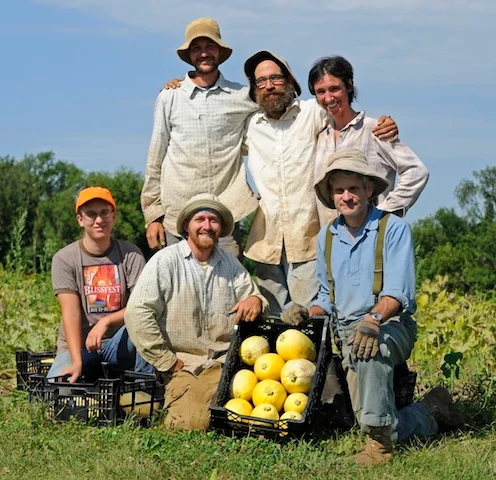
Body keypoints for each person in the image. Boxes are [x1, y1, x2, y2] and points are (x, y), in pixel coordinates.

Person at [162, 50, 397, 314]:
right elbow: (212, 128)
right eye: (261, 81)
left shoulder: (312, 113)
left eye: (275, 78)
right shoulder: (251, 124)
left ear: (289, 81)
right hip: (266, 241)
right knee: (273, 322)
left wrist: (382, 124)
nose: (269, 85)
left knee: (309, 318)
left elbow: (345, 115)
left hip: (306, 237)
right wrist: (186, 84)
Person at [282, 149, 463, 465]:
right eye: (340, 190)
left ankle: (380, 449)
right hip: (346, 331)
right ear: (332, 195)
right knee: (366, 417)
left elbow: (398, 292)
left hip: (391, 325)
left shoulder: (393, 229)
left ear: (369, 189)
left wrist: (373, 318)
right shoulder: (327, 236)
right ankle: (431, 410)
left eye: (354, 188)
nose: (347, 196)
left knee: (371, 348)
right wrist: (308, 312)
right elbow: (326, 295)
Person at [124, 193, 268, 431]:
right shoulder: (165, 261)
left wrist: (255, 300)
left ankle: (217, 403)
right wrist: (167, 362)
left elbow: (255, 298)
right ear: (186, 226)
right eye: (200, 219)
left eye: (213, 220)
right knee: (191, 424)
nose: (207, 226)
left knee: (260, 405)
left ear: (220, 228)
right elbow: (137, 313)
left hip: (227, 361)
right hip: (186, 365)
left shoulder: (230, 264)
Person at [141, 17, 259, 257]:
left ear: (219, 51)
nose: (204, 53)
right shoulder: (170, 97)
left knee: (228, 287)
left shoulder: (242, 96)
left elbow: (271, 124)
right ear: (189, 55)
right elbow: (156, 155)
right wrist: (153, 214)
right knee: (180, 287)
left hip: (226, 212)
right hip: (178, 213)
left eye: (209, 46)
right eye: (197, 48)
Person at [47, 187, 152, 384]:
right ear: (80, 219)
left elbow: (141, 307)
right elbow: (70, 313)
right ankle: (87, 370)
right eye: (91, 214)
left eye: (104, 212)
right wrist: (76, 361)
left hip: (119, 342)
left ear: (114, 216)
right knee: (57, 387)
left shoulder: (131, 254)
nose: (99, 220)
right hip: (80, 346)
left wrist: (106, 322)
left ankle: (142, 388)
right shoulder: (64, 258)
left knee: (144, 323)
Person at [308, 56, 429, 223]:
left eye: (334, 89)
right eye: (321, 91)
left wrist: (383, 214)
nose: (328, 98)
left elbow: (416, 172)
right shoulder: (320, 136)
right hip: (333, 238)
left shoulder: (374, 130)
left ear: (349, 85)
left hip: (371, 238)